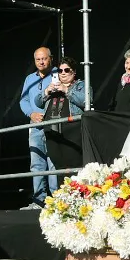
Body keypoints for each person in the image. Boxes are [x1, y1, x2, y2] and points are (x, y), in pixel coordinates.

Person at [19, 47, 57, 208]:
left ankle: (57, 200)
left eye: (44, 58)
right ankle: (39, 200)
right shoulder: (30, 78)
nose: (41, 62)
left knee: (54, 161)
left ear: (51, 59)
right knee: (37, 162)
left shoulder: (58, 74)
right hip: (35, 126)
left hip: (54, 124)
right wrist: (31, 114)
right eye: (38, 59)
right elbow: (23, 100)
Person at [36, 56, 88, 121]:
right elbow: (37, 103)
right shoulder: (53, 86)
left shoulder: (81, 85)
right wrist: (46, 91)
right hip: (51, 127)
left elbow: (86, 101)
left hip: (72, 126)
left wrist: (66, 90)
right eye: (60, 70)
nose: (63, 73)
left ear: (74, 72)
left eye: (67, 70)